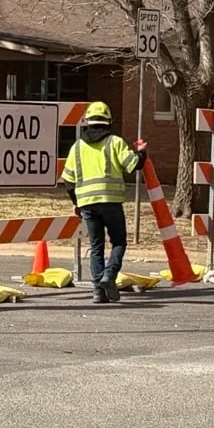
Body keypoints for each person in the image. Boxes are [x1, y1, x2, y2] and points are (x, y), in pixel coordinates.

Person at [61, 102, 146, 304]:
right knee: (118, 242)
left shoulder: (77, 147)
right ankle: (109, 275)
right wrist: (141, 152)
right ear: (108, 121)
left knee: (96, 246)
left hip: (87, 203)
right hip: (111, 201)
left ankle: (98, 291)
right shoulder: (115, 142)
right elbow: (134, 164)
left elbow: (68, 180)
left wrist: (77, 203)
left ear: (87, 122)